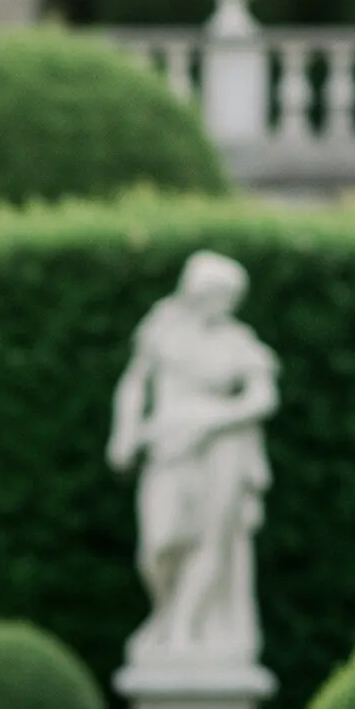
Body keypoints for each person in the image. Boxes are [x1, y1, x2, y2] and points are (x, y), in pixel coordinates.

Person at [107, 249, 278, 665]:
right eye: (222, 294)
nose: (228, 304)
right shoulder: (162, 329)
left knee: (211, 539)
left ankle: (185, 626)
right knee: (157, 545)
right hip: (168, 446)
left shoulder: (238, 342)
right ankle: (167, 612)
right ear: (198, 291)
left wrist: (212, 421)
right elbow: (134, 383)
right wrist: (124, 433)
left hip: (222, 448)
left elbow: (263, 397)